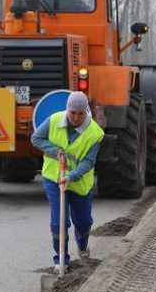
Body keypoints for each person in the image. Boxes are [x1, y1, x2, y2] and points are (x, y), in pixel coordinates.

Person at [31, 91, 104, 271]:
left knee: (83, 222)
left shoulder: (95, 133)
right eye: (72, 113)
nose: (76, 117)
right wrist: (55, 150)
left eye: (80, 113)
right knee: (59, 222)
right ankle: (61, 259)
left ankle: (83, 245)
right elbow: (36, 138)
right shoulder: (54, 120)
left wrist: (71, 176)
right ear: (67, 110)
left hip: (79, 183)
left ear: (86, 111)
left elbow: (88, 162)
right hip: (54, 178)